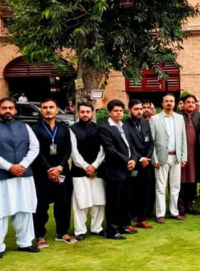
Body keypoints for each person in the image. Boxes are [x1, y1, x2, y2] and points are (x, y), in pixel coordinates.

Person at [0, 98, 40, 259]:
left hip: (23, 175)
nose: (8, 111)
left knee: (24, 209)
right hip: (0, 177)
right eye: (4, 108)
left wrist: (23, 165)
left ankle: (25, 242)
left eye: (11, 108)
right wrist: (9, 167)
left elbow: (35, 148)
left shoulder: (25, 127)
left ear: (15, 110)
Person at [32, 99, 75, 248]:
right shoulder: (35, 129)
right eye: (45, 107)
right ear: (41, 111)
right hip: (41, 173)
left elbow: (68, 149)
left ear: (57, 110)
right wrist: (50, 169)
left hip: (62, 171)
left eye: (51, 107)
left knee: (63, 203)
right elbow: (36, 151)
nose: (48, 110)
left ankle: (62, 232)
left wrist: (60, 167)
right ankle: (40, 235)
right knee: (41, 205)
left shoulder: (64, 128)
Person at [96, 100, 137, 240]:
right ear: (109, 112)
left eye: (120, 110)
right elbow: (110, 150)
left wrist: (133, 160)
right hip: (114, 170)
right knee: (114, 201)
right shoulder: (104, 128)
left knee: (125, 199)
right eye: (115, 111)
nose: (119, 113)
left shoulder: (124, 126)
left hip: (127, 169)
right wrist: (126, 160)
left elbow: (131, 146)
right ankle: (112, 230)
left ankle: (123, 225)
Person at [69, 102, 105, 241]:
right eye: (82, 112)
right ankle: (80, 230)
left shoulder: (100, 129)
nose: (85, 114)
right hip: (79, 171)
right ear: (78, 113)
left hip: (97, 171)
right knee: (80, 202)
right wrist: (86, 167)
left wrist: (94, 166)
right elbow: (73, 152)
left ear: (92, 112)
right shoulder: (72, 130)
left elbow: (103, 150)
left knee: (98, 201)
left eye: (87, 112)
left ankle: (97, 228)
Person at [149, 94, 187, 223]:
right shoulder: (154, 119)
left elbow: (183, 139)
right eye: (166, 101)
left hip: (176, 157)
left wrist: (183, 157)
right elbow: (152, 142)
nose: (169, 103)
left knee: (175, 186)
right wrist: (154, 159)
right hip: (161, 157)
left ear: (175, 103)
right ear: (162, 103)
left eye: (171, 101)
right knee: (160, 187)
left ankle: (174, 211)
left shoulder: (179, 118)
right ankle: (160, 213)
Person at [124, 100, 154, 229]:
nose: (139, 112)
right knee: (131, 193)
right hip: (133, 163)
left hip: (146, 164)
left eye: (140, 109)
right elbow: (128, 145)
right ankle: (127, 221)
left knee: (144, 191)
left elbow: (151, 142)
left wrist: (147, 157)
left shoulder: (145, 124)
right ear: (130, 110)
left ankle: (141, 218)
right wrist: (140, 159)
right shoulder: (125, 125)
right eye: (136, 109)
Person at [179, 94, 200, 214]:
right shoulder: (178, 115)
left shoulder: (199, 115)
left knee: (193, 179)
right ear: (183, 104)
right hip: (182, 153)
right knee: (181, 180)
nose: (190, 104)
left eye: (193, 102)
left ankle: (189, 205)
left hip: (195, 153)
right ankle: (180, 207)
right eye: (188, 102)